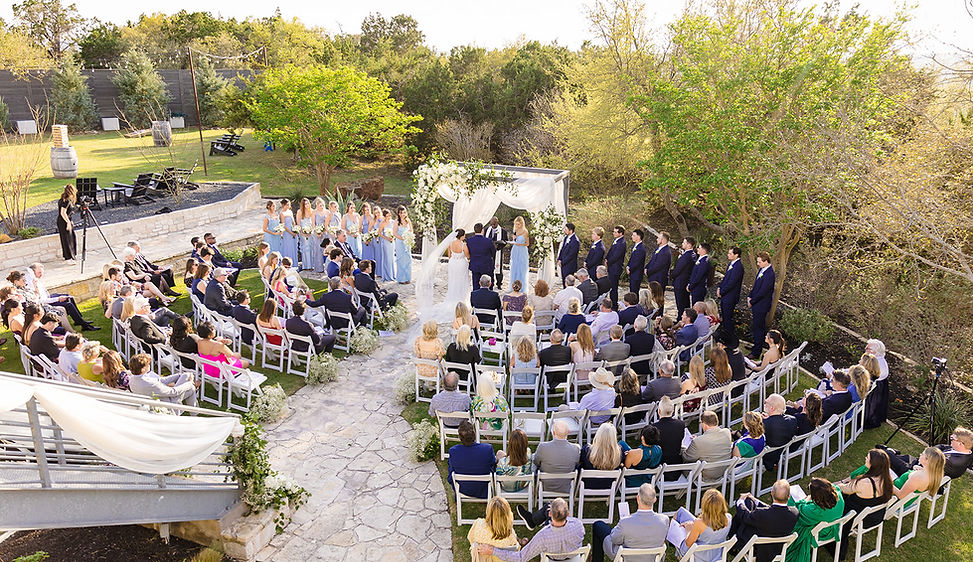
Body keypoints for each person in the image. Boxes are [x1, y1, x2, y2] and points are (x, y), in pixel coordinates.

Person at [836, 449, 893, 560]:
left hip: (855, 516)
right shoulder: (887, 480)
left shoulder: (865, 483)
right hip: (875, 515)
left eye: (867, 458)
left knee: (838, 496)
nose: (865, 458)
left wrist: (836, 484)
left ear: (873, 464)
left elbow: (845, 489)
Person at [487, 498, 584, 561]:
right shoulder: (578, 525)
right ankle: (532, 520)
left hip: (553, 558)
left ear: (550, 514)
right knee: (549, 506)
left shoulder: (543, 536)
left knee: (548, 505)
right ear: (568, 514)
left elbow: (521, 558)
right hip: (573, 558)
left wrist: (493, 551)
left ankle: (532, 521)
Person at [592, 483, 668, 562]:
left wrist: (618, 526)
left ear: (638, 498)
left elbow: (615, 540)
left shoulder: (625, 522)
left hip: (626, 558)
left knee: (598, 525)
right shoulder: (664, 520)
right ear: (655, 500)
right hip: (652, 558)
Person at [728, 480, 800, 562]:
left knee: (745, 508)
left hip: (756, 549)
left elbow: (745, 516)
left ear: (772, 493)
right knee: (749, 502)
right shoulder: (795, 513)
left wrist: (740, 501)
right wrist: (755, 500)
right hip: (776, 549)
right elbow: (775, 510)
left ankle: (732, 544)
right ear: (789, 496)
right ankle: (732, 546)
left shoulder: (762, 514)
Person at [786, 478, 845, 562]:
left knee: (793, 513)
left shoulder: (816, 511)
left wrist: (806, 499)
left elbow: (798, 510)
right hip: (834, 526)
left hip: (822, 532)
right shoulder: (838, 494)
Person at [25, 263, 99, 331]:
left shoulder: (35, 279)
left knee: (68, 297)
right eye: (39, 272)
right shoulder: (31, 283)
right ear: (33, 272)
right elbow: (43, 300)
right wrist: (58, 299)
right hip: (46, 302)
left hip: (47, 297)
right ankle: (84, 325)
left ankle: (78, 320)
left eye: (42, 272)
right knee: (69, 305)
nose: (41, 274)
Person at [881, 427, 973, 480]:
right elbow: (941, 446)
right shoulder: (963, 451)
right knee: (904, 457)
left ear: (961, 444)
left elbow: (928, 470)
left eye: (952, 438)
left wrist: (927, 454)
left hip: (918, 474)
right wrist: (930, 452)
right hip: (920, 463)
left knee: (885, 455)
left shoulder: (952, 462)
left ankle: (889, 451)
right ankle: (892, 452)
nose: (950, 439)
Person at [675, 489, 732, 562]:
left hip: (698, 557)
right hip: (716, 555)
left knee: (678, 520)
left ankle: (679, 555)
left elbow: (688, 543)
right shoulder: (728, 518)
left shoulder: (700, 523)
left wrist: (688, 530)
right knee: (681, 512)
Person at [447, 420, 496, 499]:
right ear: (474, 434)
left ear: (460, 437)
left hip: (462, 489)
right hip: (484, 489)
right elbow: (493, 466)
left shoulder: (453, 451)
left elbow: (451, 473)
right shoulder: (487, 449)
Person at [128, 353, 199, 407]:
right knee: (191, 388)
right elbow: (173, 392)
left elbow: (161, 380)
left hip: (155, 401)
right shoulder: (150, 384)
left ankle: (195, 415)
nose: (149, 365)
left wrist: (178, 376)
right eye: (147, 364)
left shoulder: (133, 379)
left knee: (186, 376)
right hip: (167, 405)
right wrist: (190, 384)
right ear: (143, 369)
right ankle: (195, 414)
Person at [532, 420, 581, 494]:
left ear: (553, 433)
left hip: (545, 486)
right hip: (566, 488)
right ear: (568, 432)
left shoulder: (543, 447)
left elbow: (536, 462)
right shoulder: (575, 449)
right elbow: (577, 464)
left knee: (533, 460)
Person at [683, 411, 733, 480]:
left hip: (705, 476)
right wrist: (698, 439)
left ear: (704, 424)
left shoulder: (698, 442)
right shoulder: (727, 432)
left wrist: (682, 446)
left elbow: (686, 457)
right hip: (723, 471)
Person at [748, 252, 776, 359]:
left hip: (762, 305)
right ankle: (755, 346)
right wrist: (750, 296)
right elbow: (756, 287)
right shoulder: (762, 270)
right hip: (756, 303)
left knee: (759, 329)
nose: (758, 264)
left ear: (766, 261)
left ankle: (756, 352)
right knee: (755, 327)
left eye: (759, 262)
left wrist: (752, 301)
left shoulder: (770, 274)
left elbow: (763, 292)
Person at [763, 394, 798, 470]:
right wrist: (769, 418)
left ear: (772, 408)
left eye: (766, 402)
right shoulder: (792, 420)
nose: (764, 403)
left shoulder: (764, 424)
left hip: (764, 456)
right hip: (780, 452)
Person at [652, 396, 687, 465]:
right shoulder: (680, 424)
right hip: (676, 462)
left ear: (659, 411)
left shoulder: (654, 428)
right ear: (673, 411)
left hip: (659, 463)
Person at [717, 246, 744, 329]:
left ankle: (729, 334)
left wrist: (722, 292)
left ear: (736, 255)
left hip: (730, 296)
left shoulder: (738, 267)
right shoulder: (731, 264)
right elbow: (726, 278)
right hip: (725, 295)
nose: (728, 255)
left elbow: (732, 283)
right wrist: (719, 287)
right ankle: (725, 332)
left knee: (728, 318)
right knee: (724, 317)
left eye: (730, 253)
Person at [444, 228, 472, 308]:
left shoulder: (450, 243)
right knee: (461, 280)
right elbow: (468, 256)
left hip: (452, 263)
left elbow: (449, 255)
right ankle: (461, 299)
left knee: (453, 280)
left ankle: (453, 297)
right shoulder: (464, 245)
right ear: (462, 236)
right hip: (461, 264)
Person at [671, 236, 697, 319]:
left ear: (689, 245)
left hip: (680, 282)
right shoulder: (693, 254)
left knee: (681, 303)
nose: (682, 244)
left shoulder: (687, 256)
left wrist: (672, 275)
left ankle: (680, 319)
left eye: (684, 242)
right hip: (685, 282)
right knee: (685, 302)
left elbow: (678, 269)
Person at [467, 223, 498, 289]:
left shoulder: (469, 240)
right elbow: (493, 252)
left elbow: (468, 252)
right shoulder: (488, 241)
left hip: (475, 265)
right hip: (486, 265)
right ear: (482, 230)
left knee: (475, 284)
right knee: (488, 284)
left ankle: (476, 295)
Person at [485, 216, 509, 288]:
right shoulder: (486, 230)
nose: (492, 225)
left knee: (498, 268)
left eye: (494, 224)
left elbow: (505, 241)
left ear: (497, 222)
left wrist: (498, 246)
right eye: (491, 224)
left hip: (498, 252)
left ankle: (499, 283)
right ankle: (488, 282)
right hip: (488, 252)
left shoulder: (503, 231)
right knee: (488, 267)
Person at [56, 184, 78, 261]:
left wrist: (70, 221)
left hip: (65, 220)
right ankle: (68, 257)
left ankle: (71, 255)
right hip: (63, 221)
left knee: (71, 238)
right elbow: (63, 213)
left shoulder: (65, 199)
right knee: (67, 240)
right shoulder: (66, 201)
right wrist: (68, 223)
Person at [605, 225, 626, 305]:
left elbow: (616, 256)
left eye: (615, 232)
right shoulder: (616, 241)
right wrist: (606, 258)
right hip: (612, 267)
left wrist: (608, 262)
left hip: (615, 268)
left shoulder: (622, 243)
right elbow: (610, 252)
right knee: (611, 287)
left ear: (621, 233)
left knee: (614, 288)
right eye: (613, 232)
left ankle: (614, 305)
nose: (613, 233)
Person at [508, 216, 530, 290]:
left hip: (522, 251)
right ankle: (514, 286)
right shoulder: (515, 230)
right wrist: (514, 240)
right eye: (516, 224)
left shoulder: (525, 231)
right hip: (515, 250)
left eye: (518, 224)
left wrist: (520, 244)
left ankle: (522, 287)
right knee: (514, 267)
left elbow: (527, 244)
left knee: (521, 268)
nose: (517, 226)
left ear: (522, 224)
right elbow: (514, 241)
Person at [393, 206, 413, 283]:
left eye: (404, 212)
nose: (403, 214)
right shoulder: (396, 221)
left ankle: (407, 278)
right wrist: (402, 238)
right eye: (401, 213)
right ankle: (401, 279)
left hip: (407, 243)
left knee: (408, 259)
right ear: (398, 213)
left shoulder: (408, 220)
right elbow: (394, 233)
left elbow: (411, 230)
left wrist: (409, 237)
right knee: (401, 260)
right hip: (400, 242)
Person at [377, 208, 396, 281]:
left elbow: (395, 231)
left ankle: (392, 274)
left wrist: (393, 237)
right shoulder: (382, 223)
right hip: (385, 242)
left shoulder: (393, 222)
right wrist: (386, 238)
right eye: (387, 216)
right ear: (384, 216)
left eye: (389, 215)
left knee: (391, 258)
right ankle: (387, 275)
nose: (389, 217)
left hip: (392, 242)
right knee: (387, 258)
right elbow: (379, 233)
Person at [279, 198, 299, 265]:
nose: (288, 206)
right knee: (287, 247)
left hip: (292, 230)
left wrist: (295, 229)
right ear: (283, 205)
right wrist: (291, 233)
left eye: (289, 204)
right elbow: (283, 225)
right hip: (286, 232)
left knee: (293, 247)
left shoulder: (290, 212)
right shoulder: (282, 213)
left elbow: (293, 222)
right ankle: (286, 263)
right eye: (287, 205)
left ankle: (294, 263)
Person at [626, 228, 646, 294]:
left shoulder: (641, 248)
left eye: (634, 235)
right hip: (633, 273)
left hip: (636, 273)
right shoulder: (636, 246)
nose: (632, 236)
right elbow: (632, 258)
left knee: (634, 292)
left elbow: (638, 262)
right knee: (632, 290)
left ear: (639, 237)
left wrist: (630, 269)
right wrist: (628, 266)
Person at [313, 198, 330, 272]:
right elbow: (313, 224)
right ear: (317, 206)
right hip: (317, 233)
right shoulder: (314, 212)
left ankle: (327, 267)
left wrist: (324, 231)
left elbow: (328, 223)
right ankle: (319, 267)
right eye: (320, 205)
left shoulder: (327, 212)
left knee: (326, 249)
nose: (322, 207)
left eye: (323, 205)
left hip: (325, 233)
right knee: (318, 250)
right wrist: (317, 232)